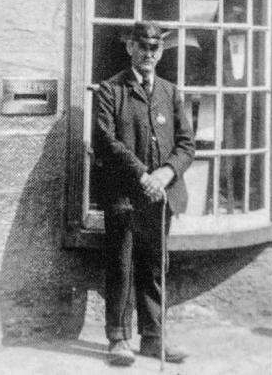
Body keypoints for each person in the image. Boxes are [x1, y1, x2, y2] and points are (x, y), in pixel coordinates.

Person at [93, 21, 195, 367]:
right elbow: (106, 141)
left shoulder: (170, 91)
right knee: (120, 265)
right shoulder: (110, 90)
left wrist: (166, 173)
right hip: (124, 197)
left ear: (161, 52)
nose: (149, 54)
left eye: (155, 49)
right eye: (143, 47)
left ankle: (153, 338)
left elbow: (186, 144)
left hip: (160, 197)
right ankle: (118, 338)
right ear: (130, 48)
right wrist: (143, 175)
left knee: (154, 267)